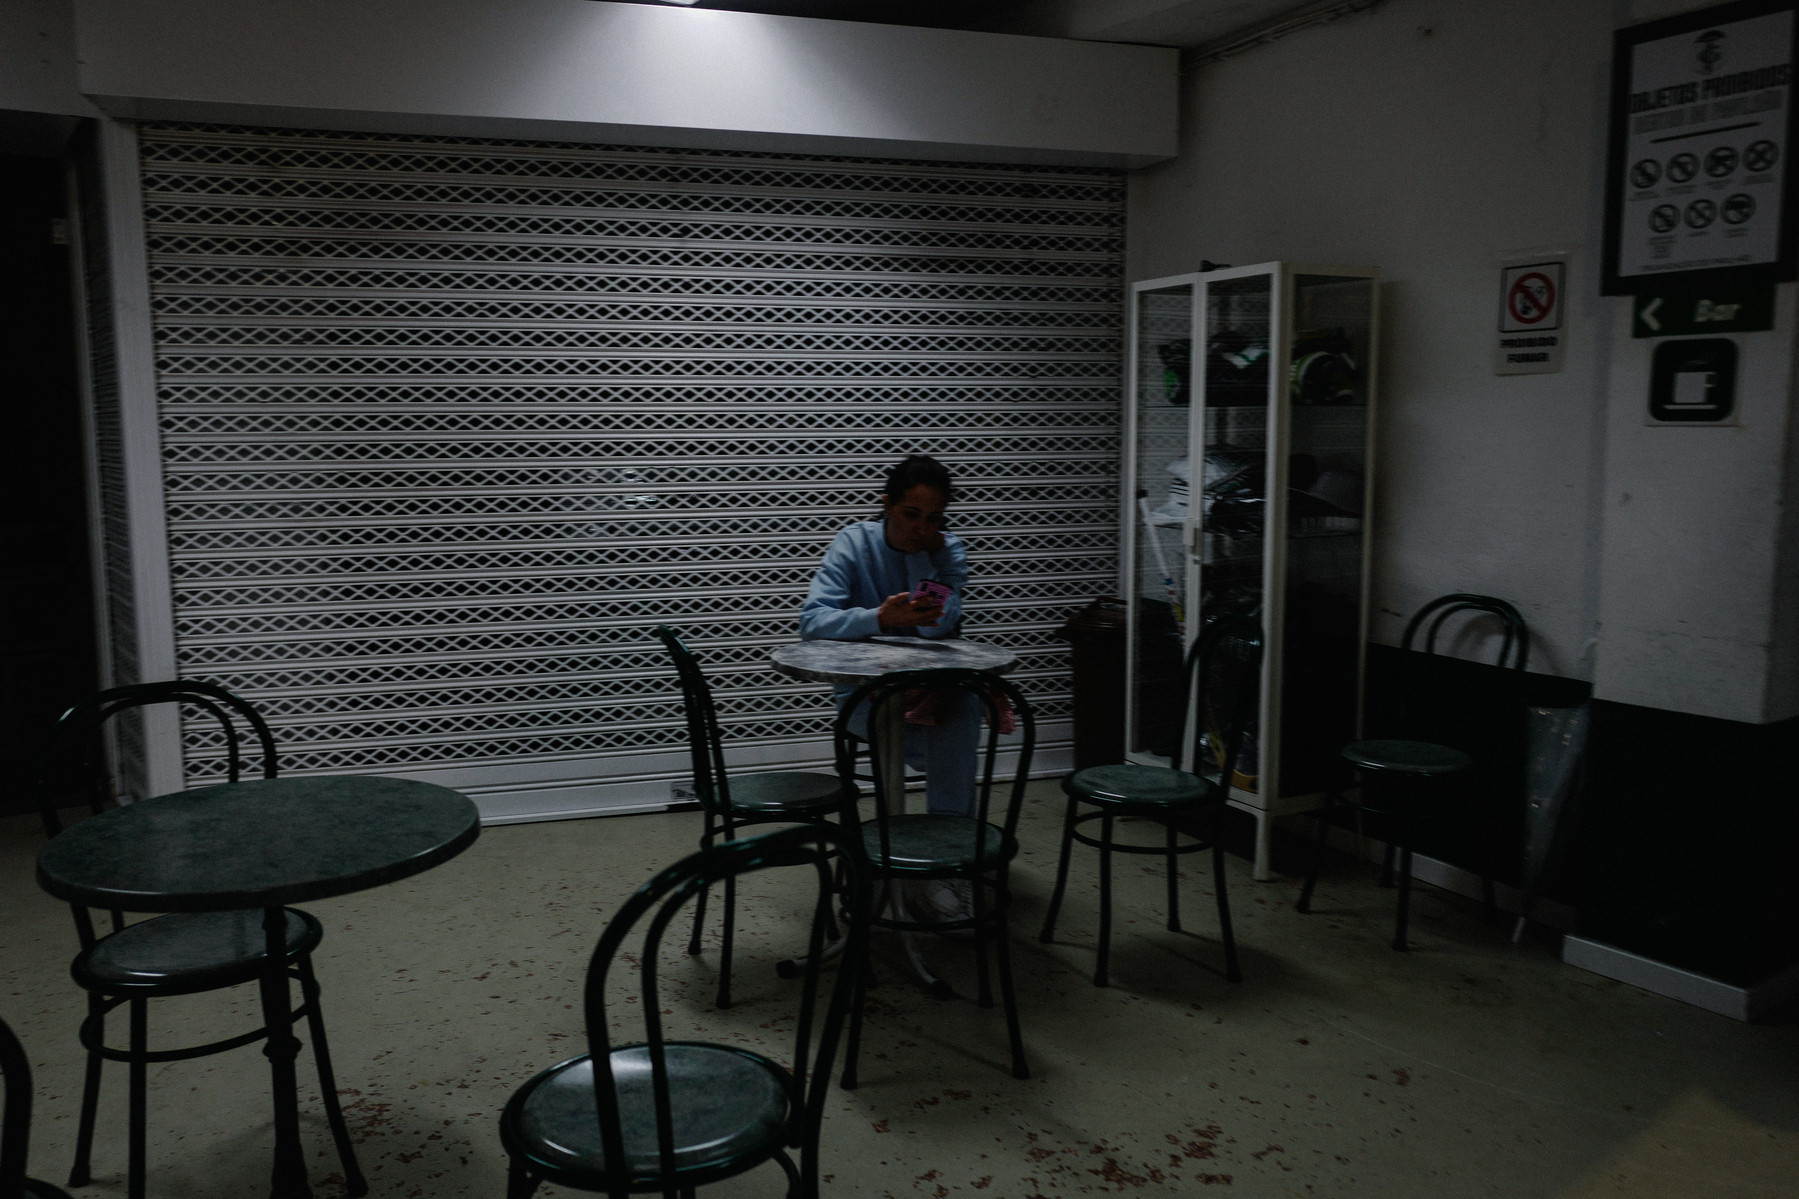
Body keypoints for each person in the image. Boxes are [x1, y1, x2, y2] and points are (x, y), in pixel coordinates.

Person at [799, 454, 980, 918]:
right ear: (886, 505)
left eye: (933, 519)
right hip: (864, 696)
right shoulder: (853, 544)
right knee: (908, 727)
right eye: (910, 515)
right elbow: (813, 621)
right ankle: (888, 855)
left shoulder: (946, 551)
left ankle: (944, 860)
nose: (921, 527)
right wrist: (878, 617)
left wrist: (923, 562)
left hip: (928, 694)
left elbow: (942, 629)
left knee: (962, 713)